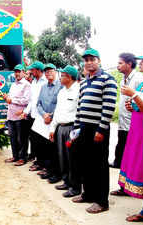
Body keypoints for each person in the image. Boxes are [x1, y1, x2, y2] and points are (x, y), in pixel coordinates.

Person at [71, 48, 117, 214]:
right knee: (85, 163)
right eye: (86, 59)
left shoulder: (108, 80)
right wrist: (76, 128)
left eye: (92, 59)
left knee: (99, 166)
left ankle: (102, 201)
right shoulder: (84, 82)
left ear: (99, 61)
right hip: (83, 128)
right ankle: (88, 194)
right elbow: (80, 107)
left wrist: (101, 128)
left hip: (98, 129)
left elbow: (109, 106)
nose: (89, 62)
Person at [118, 51, 143, 222]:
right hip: (139, 131)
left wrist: (134, 96)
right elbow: (141, 106)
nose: (142, 62)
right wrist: (133, 105)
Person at [48, 65, 81, 194]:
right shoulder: (62, 92)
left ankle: (75, 187)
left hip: (72, 128)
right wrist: (52, 128)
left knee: (73, 159)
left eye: (62, 76)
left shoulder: (78, 90)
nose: (60, 78)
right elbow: (57, 112)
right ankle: (66, 182)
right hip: (61, 128)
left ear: (70, 77)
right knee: (63, 157)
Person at [110, 53, 143, 171]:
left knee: (131, 157)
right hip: (123, 123)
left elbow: (141, 101)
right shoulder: (123, 80)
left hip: (134, 125)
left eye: (120, 63)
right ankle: (123, 185)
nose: (118, 66)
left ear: (129, 64)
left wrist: (133, 96)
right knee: (122, 152)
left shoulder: (139, 79)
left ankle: (127, 187)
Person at [33, 63, 63, 182]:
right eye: (46, 71)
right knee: (43, 146)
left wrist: (51, 115)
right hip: (43, 120)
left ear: (55, 72)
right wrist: (44, 114)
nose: (48, 73)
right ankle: (47, 169)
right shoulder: (43, 87)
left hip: (55, 121)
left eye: (51, 71)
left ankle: (55, 172)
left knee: (53, 148)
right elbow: (38, 104)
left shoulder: (61, 86)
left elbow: (61, 104)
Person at [21, 61, 48, 168]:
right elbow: (32, 100)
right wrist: (26, 112)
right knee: (35, 140)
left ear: (38, 70)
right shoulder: (34, 82)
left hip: (42, 116)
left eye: (32, 70)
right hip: (33, 115)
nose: (31, 71)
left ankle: (42, 163)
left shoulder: (45, 82)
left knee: (42, 141)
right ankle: (38, 160)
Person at [3, 64, 31, 166]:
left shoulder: (27, 85)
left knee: (22, 138)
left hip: (20, 116)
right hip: (11, 115)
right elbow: (10, 99)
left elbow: (26, 100)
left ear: (24, 72)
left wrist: (12, 100)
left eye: (19, 71)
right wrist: (6, 98)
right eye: (15, 72)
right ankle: (15, 156)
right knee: (13, 137)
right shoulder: (13, 84)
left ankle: (23, 158)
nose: (17, 74)